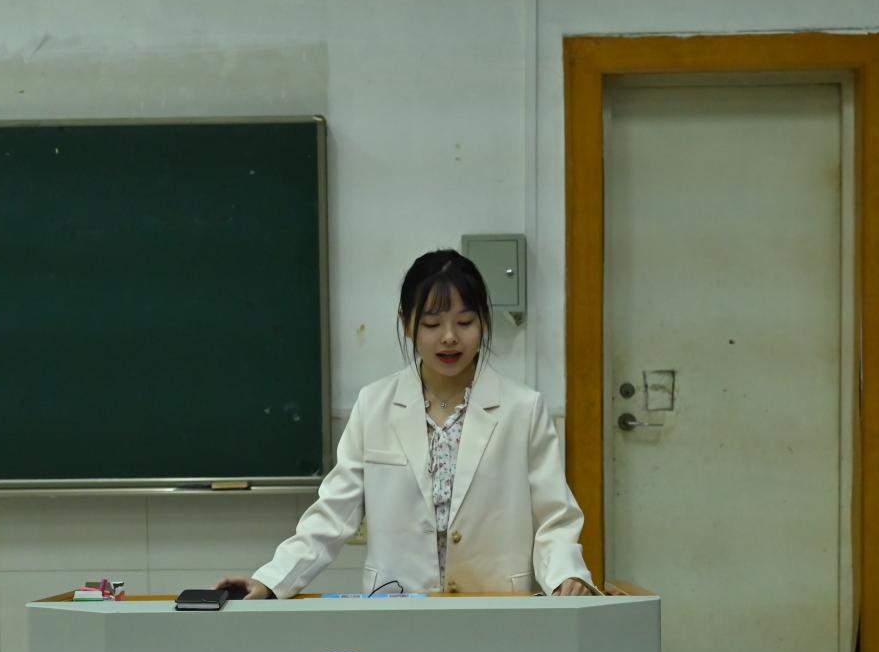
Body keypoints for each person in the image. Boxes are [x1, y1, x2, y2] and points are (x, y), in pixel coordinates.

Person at [219, 249, 598, 600]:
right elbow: (333, 512)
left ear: (483, 321)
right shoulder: (374, 405)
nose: (449, 337)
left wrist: (565, 574)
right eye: (432, 324)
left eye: (464, 322)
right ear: (407, 324)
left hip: (494, 603)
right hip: (396, 606)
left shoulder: (523, 409)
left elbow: (555, 515)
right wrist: (272, 580)